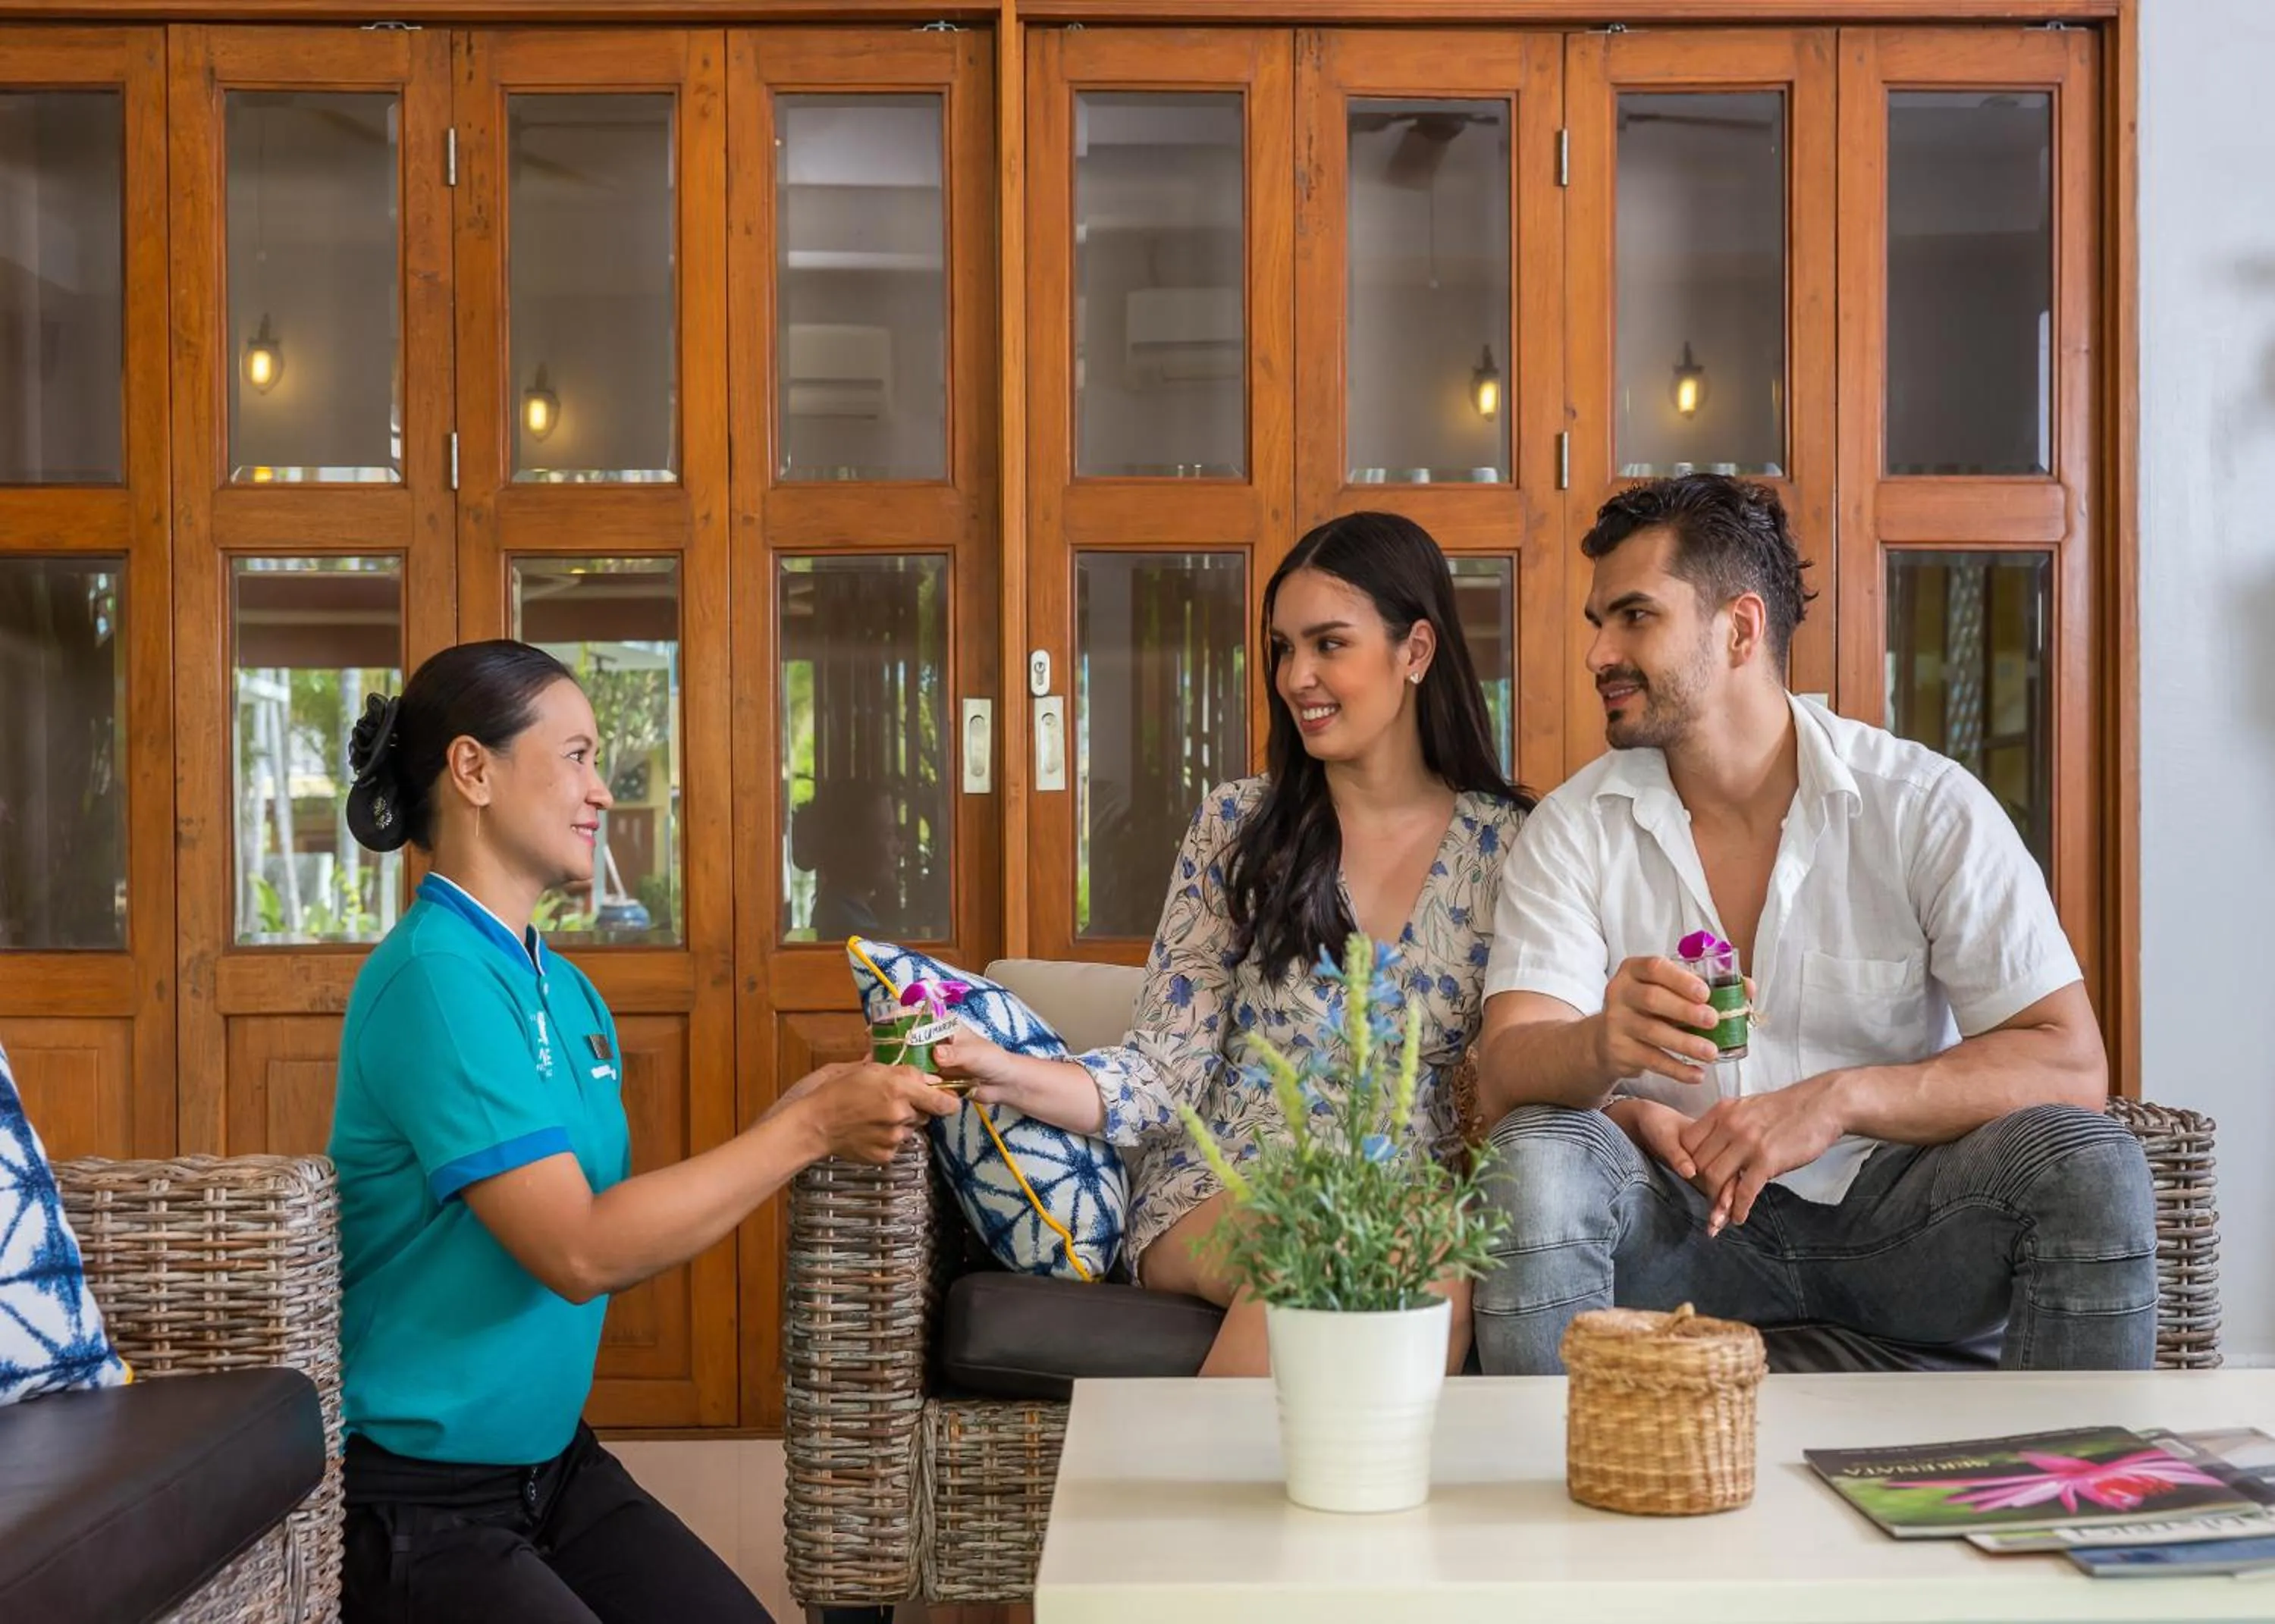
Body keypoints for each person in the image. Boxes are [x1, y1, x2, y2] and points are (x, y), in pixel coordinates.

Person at [328, 640, 955, 1624]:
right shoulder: (434, 980)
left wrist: (805, 1113)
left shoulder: (563, 987)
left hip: (553, 1471)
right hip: (421, 1505)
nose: (601, 790)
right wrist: (805, 1132)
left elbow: (621, 1214)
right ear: (473, 769)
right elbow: (580, 1248)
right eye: (575, 754)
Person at [1470, 475, 2155, 1374]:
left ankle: (2060, 1496)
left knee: (2092, 1161)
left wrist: (1836, 1103)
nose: (1599, 652)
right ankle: (1542, 1489)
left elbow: (2070, 1062)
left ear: (1742, 628)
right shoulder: (1573, 828)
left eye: (1635, 617)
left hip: (1903, 1231)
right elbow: (1504, 1073)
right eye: (1598, 622)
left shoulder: (1923, 806)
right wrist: (1603, 1044)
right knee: (1535, 1154)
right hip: (1680, 1236)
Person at [935, 513, 1533, 1376]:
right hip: (1221, 1194)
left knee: (1429, 1255)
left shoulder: (1513, 845)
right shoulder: (1237, 825)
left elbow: (1535, 1046)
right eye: (1283, 649)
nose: (1298, 677)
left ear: (1416, 650)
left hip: (1407, 1206)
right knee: (1324, 1238)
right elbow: (1164, 1066)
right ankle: (1195, 1510)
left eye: (1330, 644)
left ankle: (1289, 1507)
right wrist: (1016, 1073)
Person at [792, 776, 902, 942]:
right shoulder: (853, 932)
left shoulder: (839, 911)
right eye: (887, 834)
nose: (898, 847)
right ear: (853, 844)